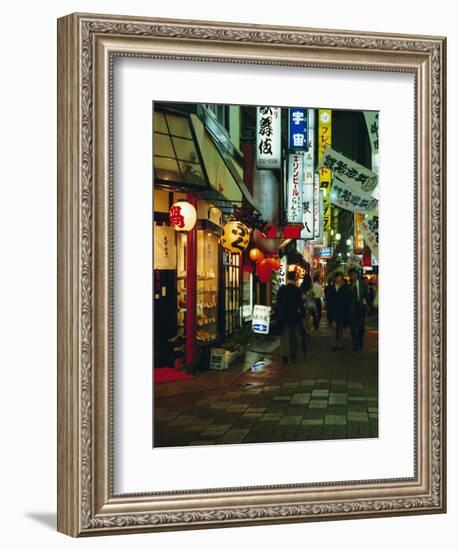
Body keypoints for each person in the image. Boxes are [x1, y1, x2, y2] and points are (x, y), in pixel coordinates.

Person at [276, 270, 306, 362]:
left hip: (284, 315)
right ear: (295, 278)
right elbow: (300, 304)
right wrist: (303, 314)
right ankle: (293, 353)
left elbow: (278, 302)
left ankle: (285, 354)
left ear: (287, 278)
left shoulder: (282, 289)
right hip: (294, 315)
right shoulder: (297, 290)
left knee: (285, 334)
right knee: (294, 334)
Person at [327, 272, 350, 351]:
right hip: (333, 310)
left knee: (340, 327)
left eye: (340, 277)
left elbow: (346, 300)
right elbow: (329, 300)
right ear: (334, 278)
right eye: (337, 277)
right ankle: (334, 342)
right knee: (334, 326)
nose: (338, 279)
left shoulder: (345, 288)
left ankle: (339, 342)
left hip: (341, 310)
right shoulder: (330, 288)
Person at [348, 267, 369, 351]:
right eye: (351, 275)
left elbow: (366, 295)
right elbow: (347, 297)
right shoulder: (348, 285)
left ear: (356, 275)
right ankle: (355, 344)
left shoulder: (362, 284)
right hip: (352, 308)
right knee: (353, 327)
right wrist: (351, 289)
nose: (353, 276)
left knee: (361, 327)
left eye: (354, 274)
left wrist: (369, 305)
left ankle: (360, 340)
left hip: (360, 307)